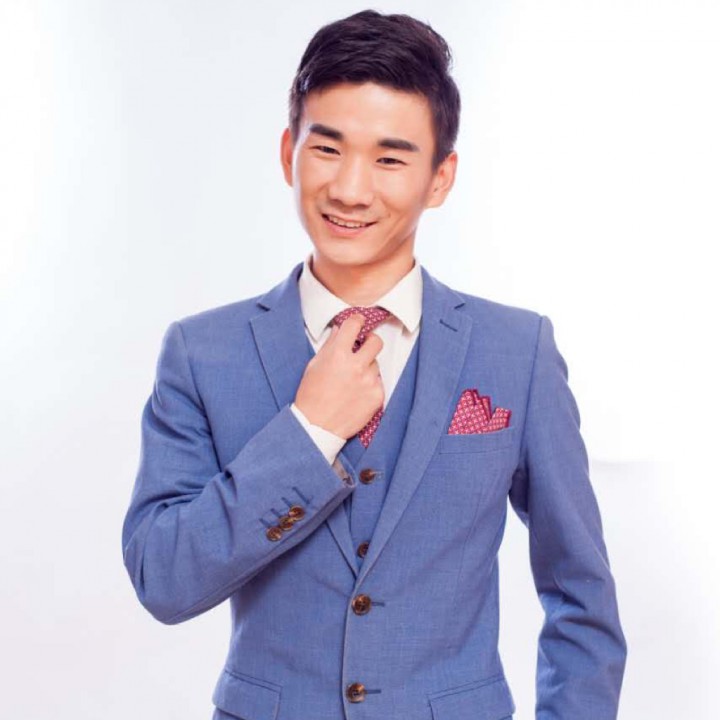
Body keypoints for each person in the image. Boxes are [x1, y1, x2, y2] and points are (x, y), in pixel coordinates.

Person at [121, 9, 627, 719]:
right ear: (288, 153)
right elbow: (164, 579)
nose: (351, 189)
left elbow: (582, 594)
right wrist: (309, 432)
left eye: (390, 159)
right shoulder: (202, 353)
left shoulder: (518, 351)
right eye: (328, 149)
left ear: (440, 177)